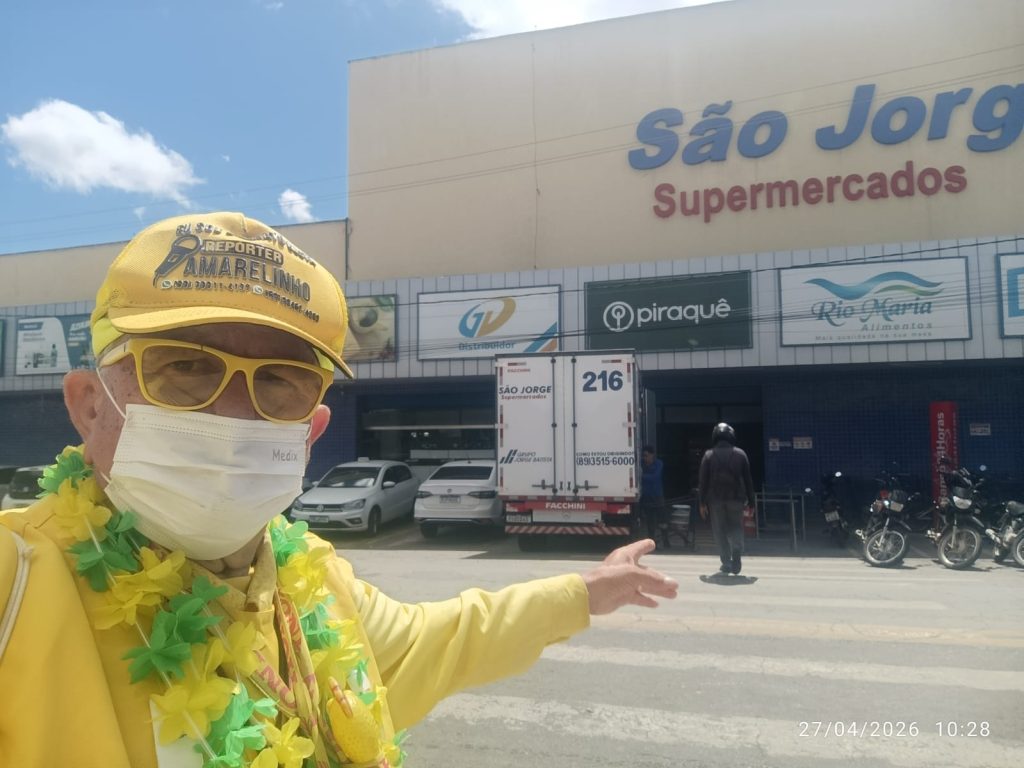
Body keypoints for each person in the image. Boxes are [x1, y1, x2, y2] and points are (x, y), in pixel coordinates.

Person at [0, 212, 678, 768]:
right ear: (89, 404)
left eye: (279, 382)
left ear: (312, 430)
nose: (235, 415)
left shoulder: (320, 587)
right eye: (184, 367)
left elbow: (447, 638)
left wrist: (583, 593)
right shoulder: (17, 584)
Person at [698, 422, 755, 575]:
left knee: (719, 530)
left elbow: (703, 481)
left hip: (715, 500)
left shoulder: (708, 455)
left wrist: (702, 503)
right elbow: (748, 480)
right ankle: (736, 553)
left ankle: (726, 562)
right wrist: (752, 502)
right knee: (736, 527)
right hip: (736, 499)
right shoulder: (740, 454)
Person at [639, 445, 669, 549]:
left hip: (657, 496)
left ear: (652, 455)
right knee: (650, 522)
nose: (645, 458)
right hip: (647, 497)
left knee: (663, 520)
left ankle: (666, 541)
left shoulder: (658, 464)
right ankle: (652, 544)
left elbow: (655, 477)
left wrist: (642, 476)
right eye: (643, 456)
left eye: (646, 455)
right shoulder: (641, 465)